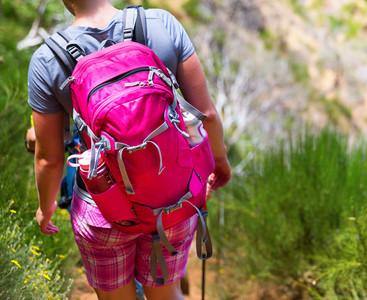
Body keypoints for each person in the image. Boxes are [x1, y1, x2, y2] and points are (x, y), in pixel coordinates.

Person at [27, 0, 231, 299]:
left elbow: (51, 158)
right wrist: (219, 162)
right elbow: (206, 114)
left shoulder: (48, 60)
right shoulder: (161, 24)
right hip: (173, 197)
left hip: (103, 210)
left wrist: (46, 209)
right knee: (167, 293)